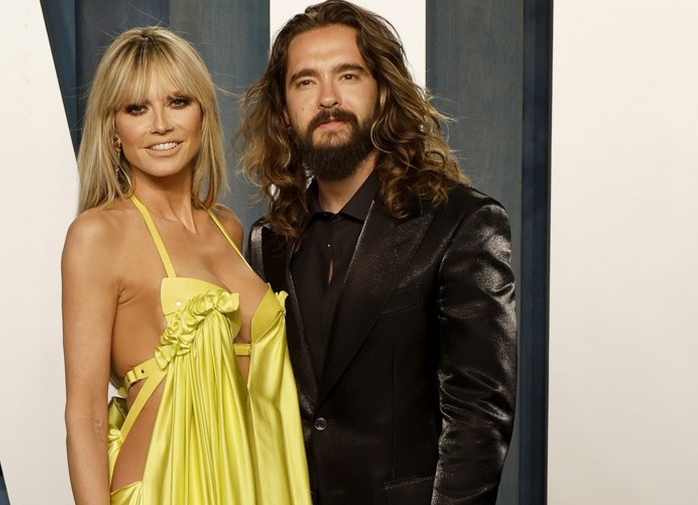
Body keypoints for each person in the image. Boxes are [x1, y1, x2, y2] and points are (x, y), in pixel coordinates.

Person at [240, 1, 517, 504]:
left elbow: (479, 418)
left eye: (348, 75)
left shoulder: (462, 222)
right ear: (283, 107)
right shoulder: (269, 241)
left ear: (383, 91)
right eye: (305, 81)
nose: (327, 98)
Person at [61, 27, 311, 505]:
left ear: (202, 115)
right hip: (161, 489)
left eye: (177, 102)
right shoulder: (98, 237)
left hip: (247, 487)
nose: (160, 124)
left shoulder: (227, 227)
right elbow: (86, 415)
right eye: (136, 108)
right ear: (114, 130)